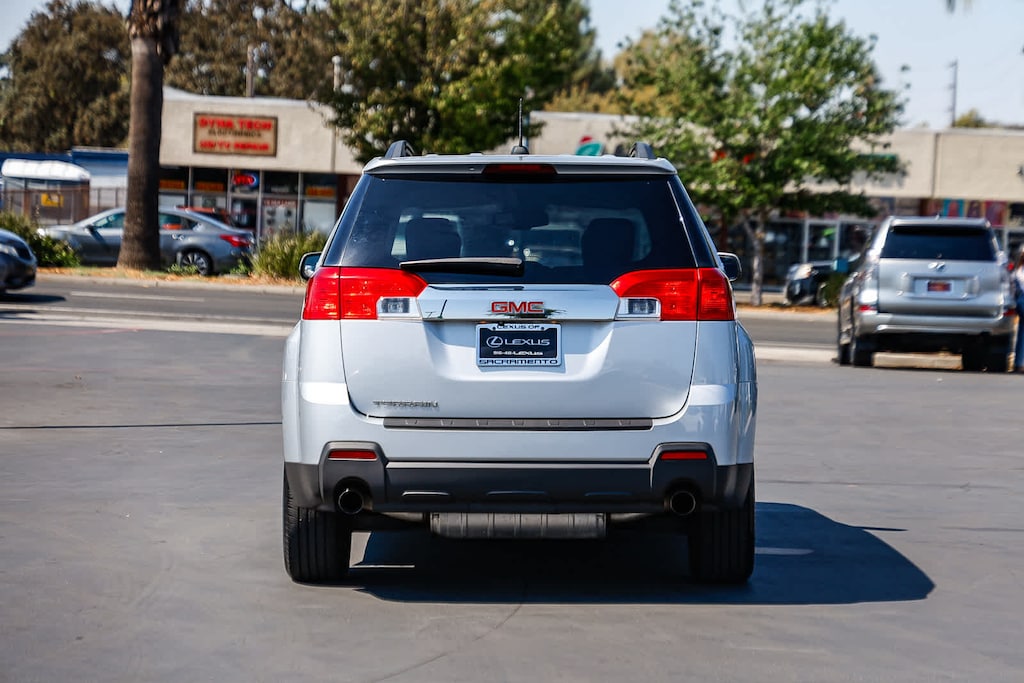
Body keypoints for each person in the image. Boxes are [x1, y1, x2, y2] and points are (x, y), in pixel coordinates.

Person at [1014, 246, 1024, 373]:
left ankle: (1019, 363)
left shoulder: (1018, 270)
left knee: (1022, 332)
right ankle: (1020, 363)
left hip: (1020, 300)